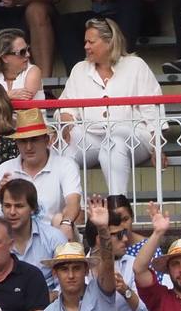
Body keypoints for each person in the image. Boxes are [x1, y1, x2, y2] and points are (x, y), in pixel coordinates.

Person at [56, 18, 160, 196]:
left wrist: (158, 147)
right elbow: (65, 106)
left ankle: (117, 206)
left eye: (91, 42)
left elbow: (152, 109)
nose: (86, 47)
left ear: (110, 42)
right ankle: (76, 210)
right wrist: (65, 117)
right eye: (85, 42)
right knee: (63, 148)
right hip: (94, 137)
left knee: (112, 144)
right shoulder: (79, 69)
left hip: (133, 137)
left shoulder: (136, 66)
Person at [0, 110, 82, 233]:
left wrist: (66, 223)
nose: (29, 147)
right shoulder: (4, 169)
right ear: (17, 143)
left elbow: (73, 201)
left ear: (46, 140)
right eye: (23, 141)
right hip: (13, 237)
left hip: (53, 235)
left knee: (60, 220)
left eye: (34, 140)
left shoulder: (65, 165)